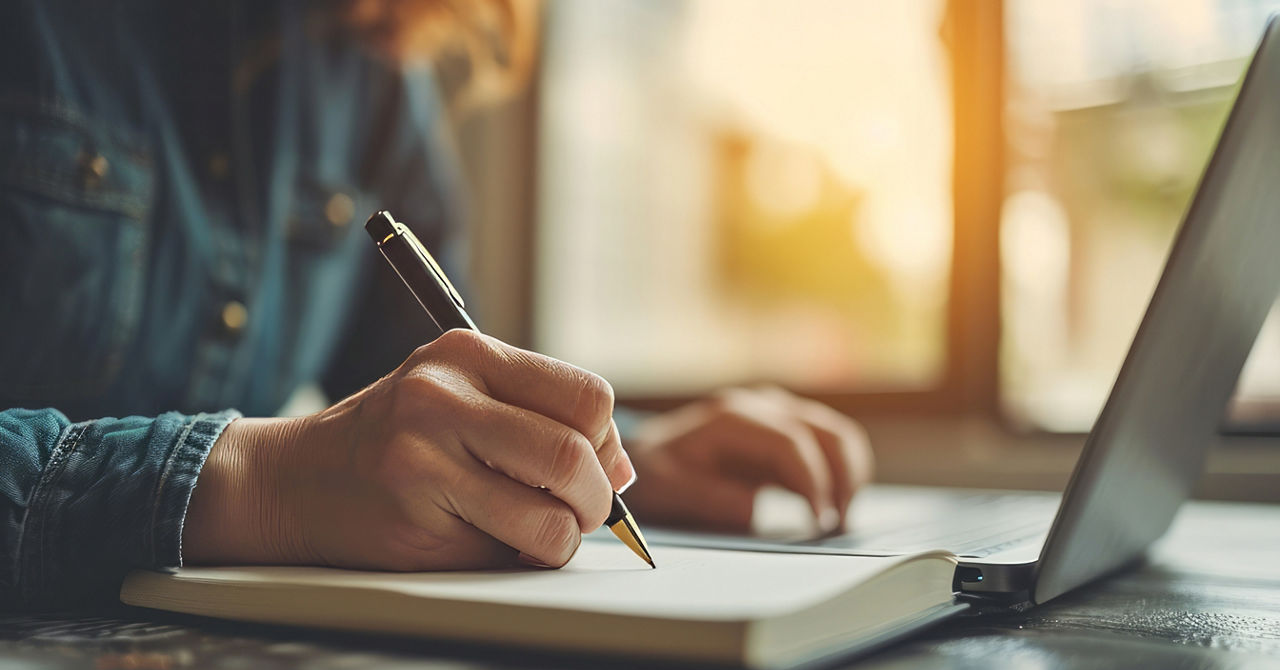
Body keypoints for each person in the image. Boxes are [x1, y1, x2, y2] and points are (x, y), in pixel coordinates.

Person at [0, 0, 872, 611]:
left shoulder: (369, 55)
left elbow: (430, 395)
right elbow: (329, 461)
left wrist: (611, 452)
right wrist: (263, 484)